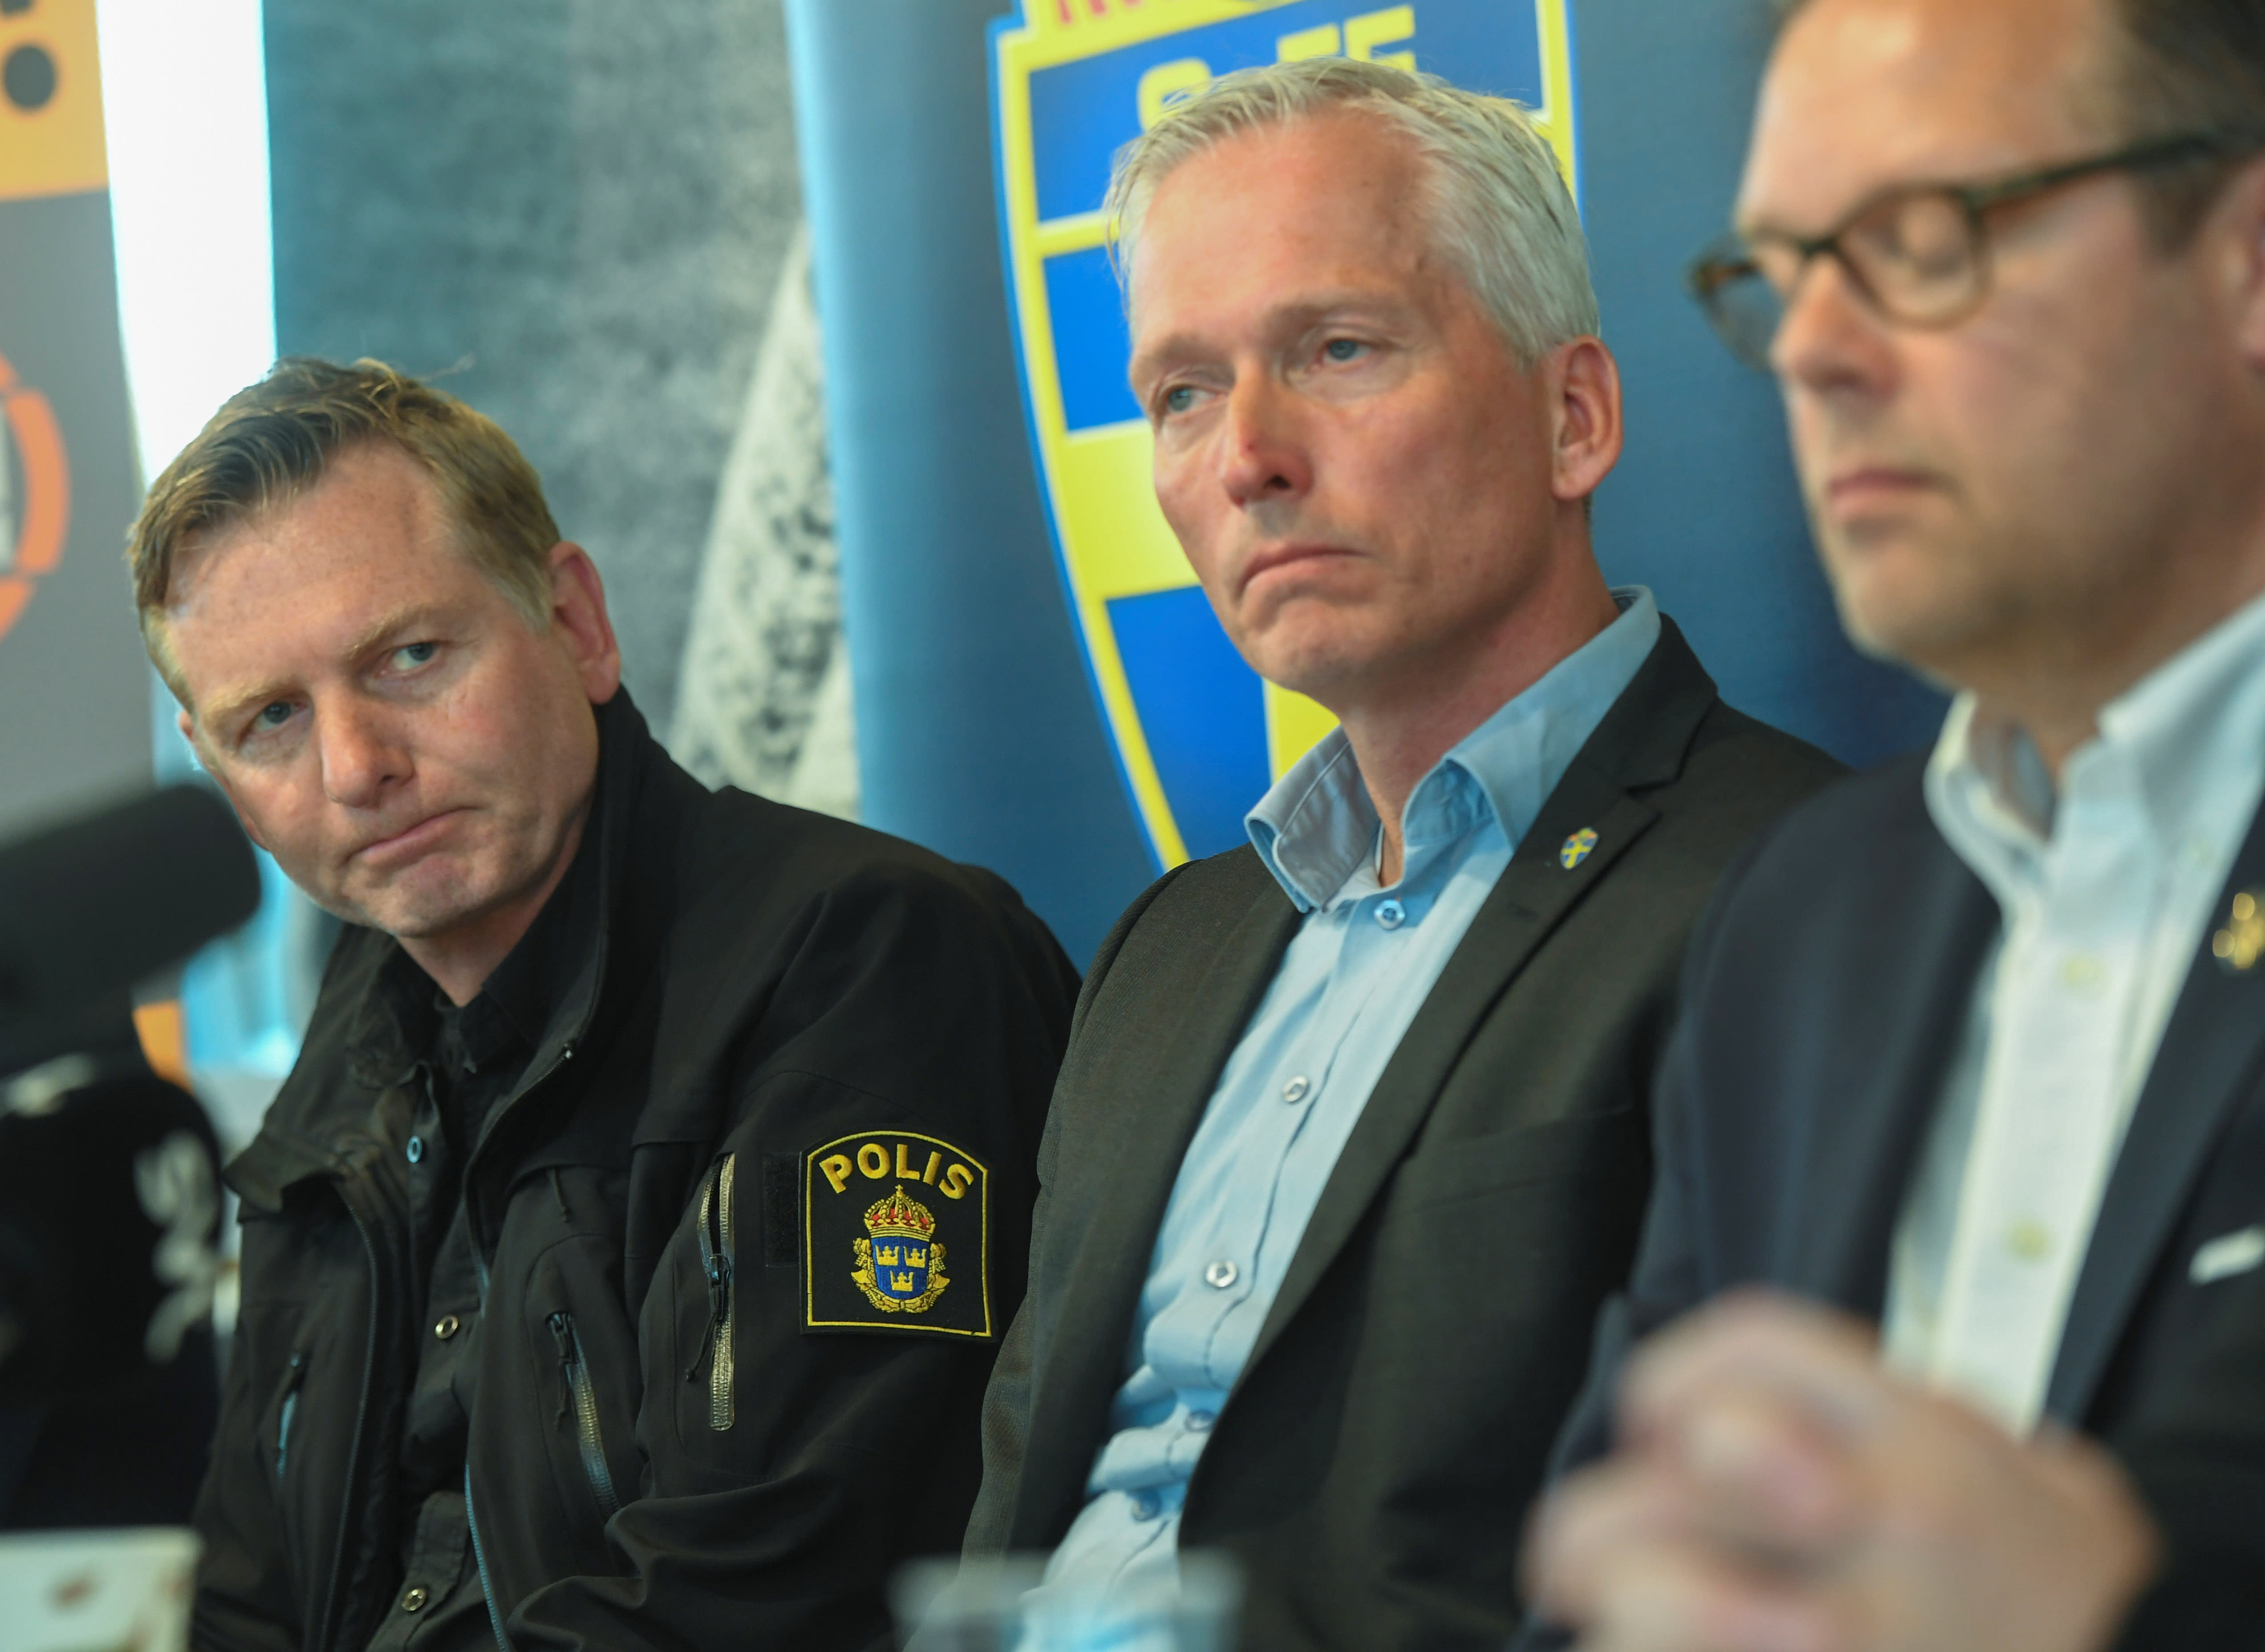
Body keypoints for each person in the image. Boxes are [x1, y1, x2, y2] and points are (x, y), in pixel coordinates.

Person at [960, 57, 1839, 1652]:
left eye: (1338, 350)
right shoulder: (1164, 951)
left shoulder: (1805, 891)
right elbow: (1011, 1521)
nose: (1247, 455)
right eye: (1182, 392)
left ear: (1573, 418)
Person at [1518, 0, 2265, 1645]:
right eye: (1783, 275)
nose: (1812, 352)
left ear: (2247, 261)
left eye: (1922, 242)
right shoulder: (1804, 914)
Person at [135, 358, 1080, 1652]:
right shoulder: (354, 1047)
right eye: (271, 721)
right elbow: (250, 1605)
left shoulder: (866, 962)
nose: (356, 769)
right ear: (217, 771)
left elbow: (770, 1597)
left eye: (410, 657)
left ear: (577, 623)